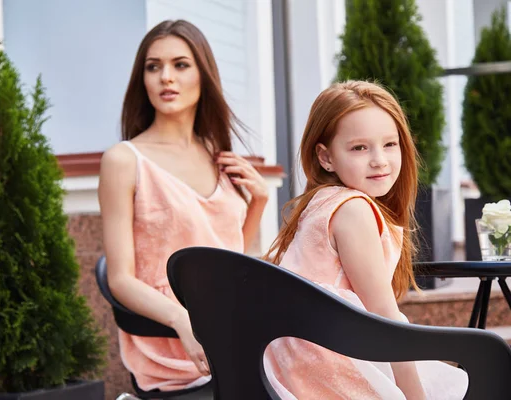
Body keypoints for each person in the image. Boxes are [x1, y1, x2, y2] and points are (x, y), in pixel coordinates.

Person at [262, 81, 468, 399]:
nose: (379, 160)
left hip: (302, 359)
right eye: (359, 148)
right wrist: (415, 396)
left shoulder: (321, 201)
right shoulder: (353, 210)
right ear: (325, 157)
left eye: (389, 144)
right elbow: (384, 315)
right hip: (328, 365)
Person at [97, 20, 268, 392]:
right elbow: (121, 279)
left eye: (180, 65)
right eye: (153, 67)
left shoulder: (218, 156)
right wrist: (181, 318)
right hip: (171, 348)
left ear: (203, 75)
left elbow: (236, 259)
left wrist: (259, 201)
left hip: (231, 330)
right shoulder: (124, 161)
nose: (165, 78)